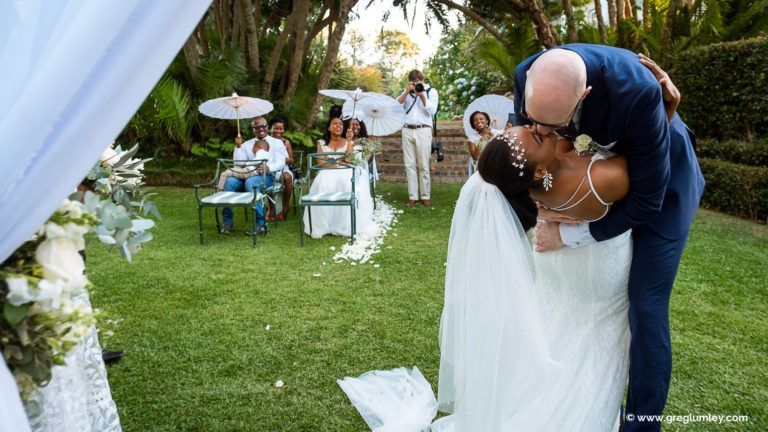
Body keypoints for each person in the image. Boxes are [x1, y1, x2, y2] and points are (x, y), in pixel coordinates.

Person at [512, 45, 705, 431]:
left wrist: (572, 233)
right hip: (604, 180)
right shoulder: (527, 74)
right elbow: (534, 159)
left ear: (584, 96)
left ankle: (642, 425)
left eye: (554, 125)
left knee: (645, 304)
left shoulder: (637, 92)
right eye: (537, 123)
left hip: (664, 191)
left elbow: (647, 202)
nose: (545, 134)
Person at [302, 114, 375, 238]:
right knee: (323, 182)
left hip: (344, 172)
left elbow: (349, 159)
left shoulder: (348, 141)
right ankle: (324, 224)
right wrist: (339, 164)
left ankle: (343, 223)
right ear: (329, 128)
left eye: (341, 124)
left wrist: (349, 142)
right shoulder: (321, 143)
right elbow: (321, 163)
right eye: (335, 123)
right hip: (327, 172)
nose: (338, 126)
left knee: (346, 183)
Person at [221, 116, 287, 235]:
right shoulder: (246, 144)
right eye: (257, 126)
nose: (260, 128)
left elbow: (281, 163)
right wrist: (238, 147)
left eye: (263, 126)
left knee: (251, 183)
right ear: (253, 129)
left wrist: (268, 168)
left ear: (267, 127)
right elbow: (237, 163)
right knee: (230, 181)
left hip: (266, 176)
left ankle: (261, 224)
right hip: (246, 174)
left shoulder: (277, 142)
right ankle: (227, 222)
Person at [397, 69, 438, 207]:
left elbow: (432, 111)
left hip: (423, 130)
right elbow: (396, 107)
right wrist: (406, 92)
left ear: (423, 80)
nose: (416, 84)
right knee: (409, 165)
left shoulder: (431, 91)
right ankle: (413, 196)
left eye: (418, 82)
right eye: (413, 82)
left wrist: (422, 96)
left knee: (424, 165)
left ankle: (425, 195)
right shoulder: (408, 92)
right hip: (407, 129)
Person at [269, 117, 294, 220]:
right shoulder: (266, 142)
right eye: (276, 128)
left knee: (287, 177)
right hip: (270, 169)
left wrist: (284, 159)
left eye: (281, 129)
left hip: (284, 169)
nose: (279, 131)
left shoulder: (286, 142)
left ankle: (286, 206)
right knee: (267, 177)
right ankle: (271, 209)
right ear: (270, 129)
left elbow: (292, 160)